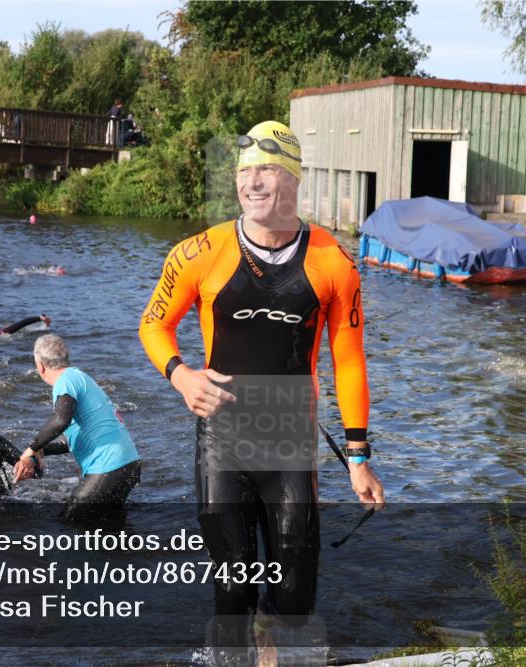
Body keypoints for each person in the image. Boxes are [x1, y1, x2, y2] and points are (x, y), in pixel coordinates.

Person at [139, 120, 385, 663]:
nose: (252, 183)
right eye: (244, 172)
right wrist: (181, 375)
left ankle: (272, 638)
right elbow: (154, 325)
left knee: (295, 597)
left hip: (290, 442)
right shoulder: (198, 252)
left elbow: (349, 359)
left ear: (294, 180)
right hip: (221, 441)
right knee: (232, 591)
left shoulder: (334, 262)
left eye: (267, 171)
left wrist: (358, 457)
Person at [12, 334, 140, 519]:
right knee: (109, 524)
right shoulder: (79, 377)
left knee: (70, 522)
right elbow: (75, 438)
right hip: (128, 465)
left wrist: (31, 449)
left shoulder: (65, 381)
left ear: (40, 365)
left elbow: (60, 421)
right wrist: (43, 450)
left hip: (108, 468)